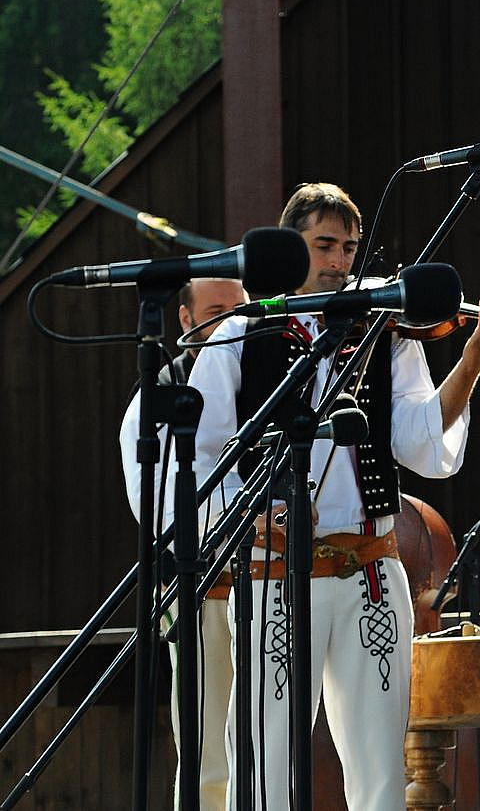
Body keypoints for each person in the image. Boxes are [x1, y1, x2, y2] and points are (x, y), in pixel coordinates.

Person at [188, 183, 480, 811]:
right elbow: (203, 457)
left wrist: (473, 359)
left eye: (350, 248)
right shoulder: (242, 333)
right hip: (275, 572)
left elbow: (420, 441)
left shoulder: (382, 331)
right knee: (266, 760)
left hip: (370, 570)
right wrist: (252, 515)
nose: (340, 262)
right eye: (324, 245)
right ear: (291, 248)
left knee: (380, 765)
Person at [119, 277, 247, 811]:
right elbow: (159, 509)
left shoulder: (268, 379)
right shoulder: (158, 395)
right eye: (216, 312)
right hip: (202, 588)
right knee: (207, 751)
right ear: (185, 320)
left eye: (240, 311)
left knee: (266, 745)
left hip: (271, 584)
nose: (232, 324)